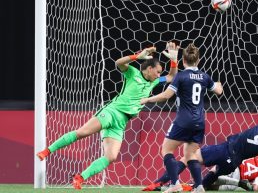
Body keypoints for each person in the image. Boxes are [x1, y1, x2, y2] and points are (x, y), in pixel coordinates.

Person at [36, 42, 179, 189]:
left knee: (111, 156)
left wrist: (174, 59)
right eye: (158, 71)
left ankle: (80, 177)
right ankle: (47, 151)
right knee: (82, 133)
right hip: (111, 112)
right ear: (149, 68)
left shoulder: (153, 82)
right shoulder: (133, 73)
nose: (159, 74)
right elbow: (119, 63)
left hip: (121, 122)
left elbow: (171, 77)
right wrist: (137, 56)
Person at [140, 43, 223, 193]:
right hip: (199, 122)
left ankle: (175, 184)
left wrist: (147, 100)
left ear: (184, 60)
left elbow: (166, 95)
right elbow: (218, 91)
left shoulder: (182, 76)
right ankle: (198, 187)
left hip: (183, 120)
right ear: (198, 60)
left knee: (166, 150)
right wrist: (219, 85)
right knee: (190, 154)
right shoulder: (205, 76)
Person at [143, 120, 258, 192]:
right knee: (214, 175)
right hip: (234, 162)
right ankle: (196, 187)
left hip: (226, 149)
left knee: (188, 157)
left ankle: (160, 183)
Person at [143, 156, 258, 192]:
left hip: (232, 167)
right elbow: (255, 188)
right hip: (234, 183)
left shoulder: (251, 154)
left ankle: (165, 186)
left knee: (206, 183)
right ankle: (239, 183)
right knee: (206, 186)